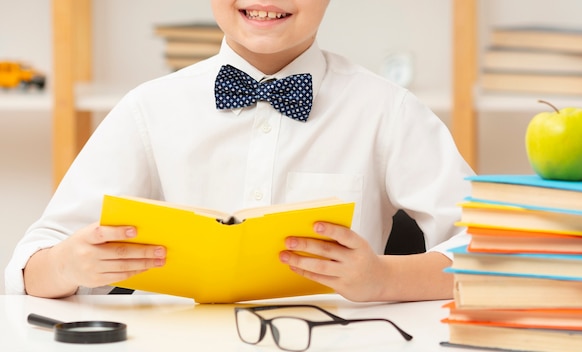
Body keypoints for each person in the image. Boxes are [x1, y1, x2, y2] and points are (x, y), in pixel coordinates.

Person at [5, 0, 474, 302]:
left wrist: (384, 279)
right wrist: (67, 263)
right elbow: (29, 264)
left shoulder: (387, 110)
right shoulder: (149, 108)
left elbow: (495, 251)